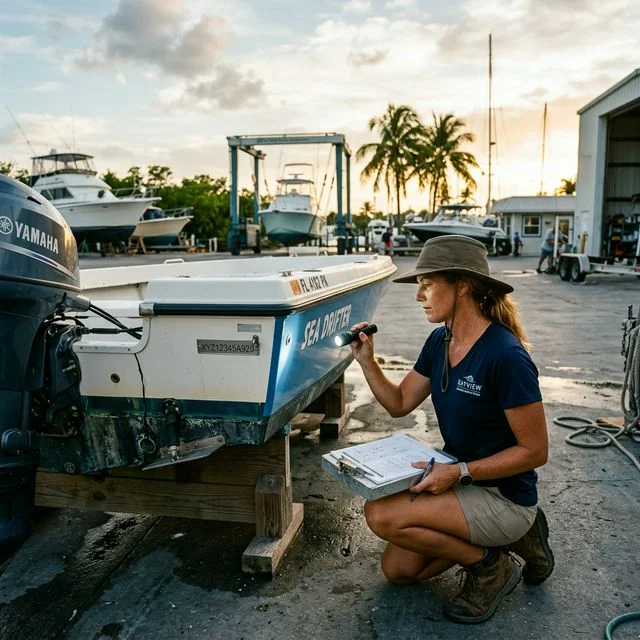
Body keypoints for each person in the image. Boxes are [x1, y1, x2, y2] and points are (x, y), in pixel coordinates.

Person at [349, 235, 553, 624]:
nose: (419, 295)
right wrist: (367, 361)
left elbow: (535, 451)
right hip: (462, 485)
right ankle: (506, 543)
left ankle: (492, 565)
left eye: (428, 284)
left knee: (381, 515)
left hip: (504, 496)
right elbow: (399, 404)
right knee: (399, 570)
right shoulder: (440, 340)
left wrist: (458, 471)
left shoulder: (506, 357)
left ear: (462, 285)